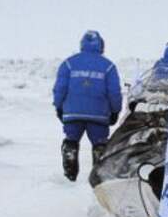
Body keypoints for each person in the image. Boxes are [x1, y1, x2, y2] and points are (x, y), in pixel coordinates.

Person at [52, 30, 122, 181]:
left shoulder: (68, 64)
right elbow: (114, 92)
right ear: (101, 45)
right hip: (99, 115)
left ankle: (69, 177)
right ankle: (99, 179)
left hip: (72, 114)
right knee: (100, 145)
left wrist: (58, 106)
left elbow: (60, 88)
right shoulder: (108, 66)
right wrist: (115, 111)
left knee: (71, 141)